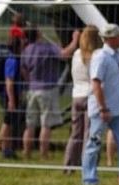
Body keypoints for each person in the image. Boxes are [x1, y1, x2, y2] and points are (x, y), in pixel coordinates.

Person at [81, 24, 119, 185]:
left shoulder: (117, 55)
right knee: (94, 144)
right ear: (110, 39)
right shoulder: (101, 57)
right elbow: (96, 84)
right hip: (103, 109)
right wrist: (103, 108)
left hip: (118, 108)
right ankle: (89, 179)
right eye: (118, 36)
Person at [20, 26, 79, 160]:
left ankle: (26, 153)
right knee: (46, 125)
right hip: (47, 90)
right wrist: (74, 41)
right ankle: (43, 154)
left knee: (30, 124)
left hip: (32, 89)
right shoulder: (46, 48)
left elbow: (23, 70)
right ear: (38, 34)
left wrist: (30, 81)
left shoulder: (26, 50)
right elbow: (64, 54)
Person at [63, 25, 102, 174]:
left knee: (75, 134)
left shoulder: (76, 54)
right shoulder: (97, 56)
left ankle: (68, 165)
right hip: (90, 96)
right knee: (89, 134)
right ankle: (87, 165)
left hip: (76, 95)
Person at [0, 35, 24, 160]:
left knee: (10, 123)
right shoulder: (12, 61)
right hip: (11, 97)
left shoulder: (15, 59)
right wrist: (11, 100)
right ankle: (0, 143)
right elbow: (9, 82)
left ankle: (7, 148)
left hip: (14, 95)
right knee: (7, 122)